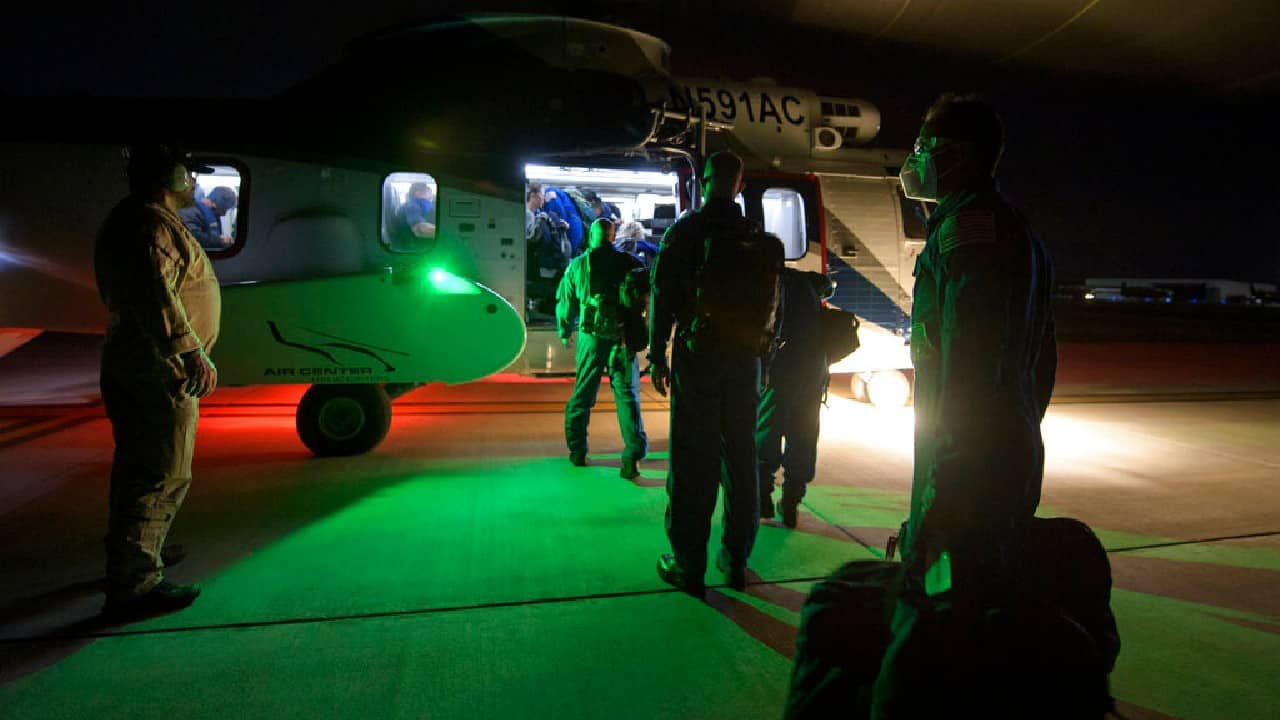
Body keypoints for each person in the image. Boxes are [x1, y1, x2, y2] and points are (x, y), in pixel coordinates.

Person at [870, 94, 1057, 717]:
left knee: (947, 628)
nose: (916, 161)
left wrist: (943, 496)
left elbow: (969, 374)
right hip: (1006, 448)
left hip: (965, 467)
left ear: (959, 159)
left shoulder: (965, 230)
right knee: (989, 607)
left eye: (926, 151)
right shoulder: (1017, 230)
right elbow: (1042, 363)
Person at [94, 143, 222, 618]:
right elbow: (156, 295)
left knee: (139, 468)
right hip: (157, 369)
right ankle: (134, 586)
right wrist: (191, 354)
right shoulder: (150, 225)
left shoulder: (136, 218)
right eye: (188, 176)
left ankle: (140, 552)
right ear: (170, 182)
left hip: (140, 364)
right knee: (160, 473)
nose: (193, 184)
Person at [649, 150, 783, 595]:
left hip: (699, 359)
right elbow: (772, 310)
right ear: (739, 185)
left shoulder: (685, 231)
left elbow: (663, 296)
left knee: (693, 459)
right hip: (746, 362)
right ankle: (736, 559)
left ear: (704, 182)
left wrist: (656, 352)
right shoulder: (759, 239)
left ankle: (689, 564)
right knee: (741, 459)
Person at [556, 218, 648, 478]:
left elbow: (566, 301)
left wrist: (564, 331)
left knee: (583, 394)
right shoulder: (630, 262)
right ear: (611, 236)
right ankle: (632, 457)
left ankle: (577, 450)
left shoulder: (578, 265)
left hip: (591, 337)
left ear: (591, 236)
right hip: (621, 339)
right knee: (627, 396)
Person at [757, 268, 833, 528]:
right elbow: (827, 287)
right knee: (803, 435)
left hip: (781, 368)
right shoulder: (806, 284)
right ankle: (791, 502)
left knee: (766, 432)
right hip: (813, 369)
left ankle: (762, 498)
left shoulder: (772, 280)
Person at [179, 180, 232, 250]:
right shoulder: (190, 211)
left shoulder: (208, 213)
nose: (224, 214)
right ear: (216, 203)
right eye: (224, 209)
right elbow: (192, 236)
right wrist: (220, 240)